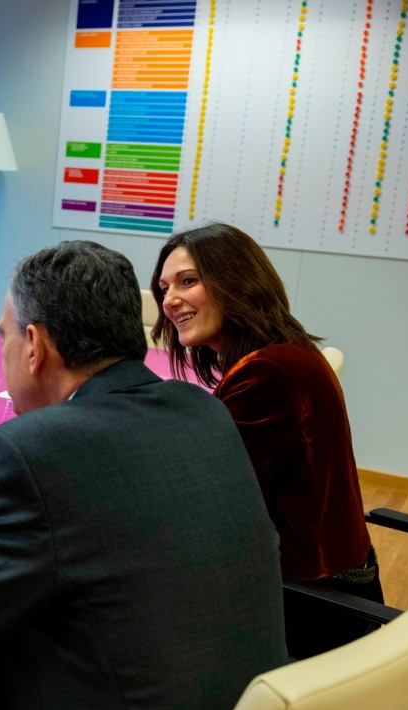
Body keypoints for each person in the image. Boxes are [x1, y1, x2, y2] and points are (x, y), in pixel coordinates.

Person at [0, 241, 287, 710]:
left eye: (4, 337)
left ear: (34, 346)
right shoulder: (204, 410)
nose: (3, 351)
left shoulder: (30, 450)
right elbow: (110, 528)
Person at [152, 222, 381, 658]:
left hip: (312, 607)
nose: (169, 300)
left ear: (236, 281)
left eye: (187, 281)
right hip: (331, 583)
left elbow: (199, 497)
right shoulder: (286, 350)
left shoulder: (267, 373)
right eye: (164, 288)